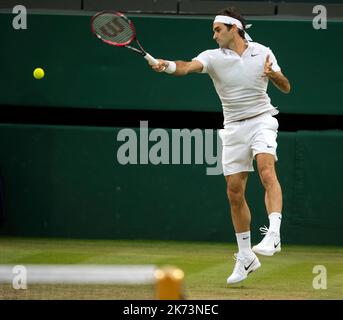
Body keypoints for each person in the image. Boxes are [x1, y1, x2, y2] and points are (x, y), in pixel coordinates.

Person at [150, 7, 291, 285]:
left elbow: (286, 87)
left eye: (217, 30)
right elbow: (187, 67)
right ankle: (246, 257)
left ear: (234, 29)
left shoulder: (263, 51)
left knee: (266, 170)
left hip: (262, 119)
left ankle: (274, 234)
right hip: (233, 127)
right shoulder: (211, 57)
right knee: (234, 192)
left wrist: (273, 75)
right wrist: (165, 65)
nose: (213, 35)